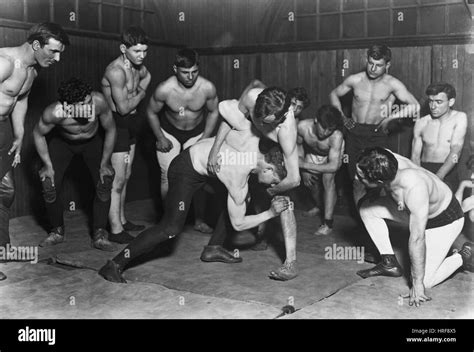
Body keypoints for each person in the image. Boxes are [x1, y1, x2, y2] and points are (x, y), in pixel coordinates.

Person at [98, 121, 297, 283]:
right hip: (184, 169)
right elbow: (238, 223)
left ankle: (213, 248)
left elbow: (228, 112)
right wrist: (270, 213)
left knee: (241, 198)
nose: (272, 186)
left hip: (205, 164)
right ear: (268, 169)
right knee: (171, 228)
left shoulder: (252, 140)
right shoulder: (238, 178)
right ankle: (114, 264)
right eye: (275, 182)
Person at [354, 147, 471, 307]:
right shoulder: (383, 158)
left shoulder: (415, 189)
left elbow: (417, 238)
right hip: (412, 209)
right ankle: (389, 262)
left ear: (379, 181)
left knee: (426, 281)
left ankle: (465, 254)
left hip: (444, 220)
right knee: (367, 210)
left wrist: (417, 283)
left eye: (360, 177)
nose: (355, 177)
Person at [0, 22, 69, 281]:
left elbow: (19, 99)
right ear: (37, 45)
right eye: (53, 51)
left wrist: (18, 133)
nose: (57, 58)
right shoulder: (4, 61)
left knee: (5, 191)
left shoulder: (31, 73)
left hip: (3, 129)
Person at [33, 78, 117, 252]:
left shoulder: (99, 102)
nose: (88, 108)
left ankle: (100, 233)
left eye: (88, 101)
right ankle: (57, 231)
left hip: (92, 143)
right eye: (82, 105)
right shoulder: (54, 113)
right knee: (48, 183)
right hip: (62, 144)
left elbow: (111, 129)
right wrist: (47, 165)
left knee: (105, 179)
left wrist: (105, 162)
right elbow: (38, 134)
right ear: (66, 105)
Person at [147, 48, 218, 233]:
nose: (190, 77)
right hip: (169, 133)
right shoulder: (165, 89)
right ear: (175, 69)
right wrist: (160, 137)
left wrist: (204, 138)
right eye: (185, 72)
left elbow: (214, 112)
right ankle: (168, 220)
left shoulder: (207, 88)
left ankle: (200, 219)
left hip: (196, 132)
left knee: (199, 176)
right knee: (168, 175)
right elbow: (151, 112)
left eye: (194, 72)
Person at [329, 43, 420, 182]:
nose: (373, 68)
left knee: (376, 177)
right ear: (367, 60)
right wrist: (341, 116)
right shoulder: (355, 79)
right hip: (354, 131)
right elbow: (334, 94)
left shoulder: (393, 84)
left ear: (387, 65)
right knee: (355, 177)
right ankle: (359, 204)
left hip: (377, 133)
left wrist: (390, 118)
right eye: (371, 63)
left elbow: (415, 106)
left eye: (378, 65)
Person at [101, 26, 151, 243]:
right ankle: (115, 229)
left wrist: (138, 93)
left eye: (144, 51)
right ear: (123, 48)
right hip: (117, 124)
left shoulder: (138, 68)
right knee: (117, 179)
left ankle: (121, 219)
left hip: (132, 123)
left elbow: (148, 77)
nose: (141, 56)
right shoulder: (115, 71)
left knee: (127, 175)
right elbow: (122, 108)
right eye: (136, 51)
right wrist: (140, 94)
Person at [297, 105, 344, 235]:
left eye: (330, 129)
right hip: (312, 154)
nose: (326, 132)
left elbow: (333, 166)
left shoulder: (336, 136)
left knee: (328, 180)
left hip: (332, 156)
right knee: (311, 185)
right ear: (316, 120)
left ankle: (328, 223)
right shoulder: (302, 127)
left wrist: (304, 166)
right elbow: (299, 147)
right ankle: (319, 206)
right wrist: (304, 170)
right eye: (324, 127)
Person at [411, 83, 467, 192]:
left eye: (438, 102)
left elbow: (456, 150)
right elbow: (415, 156)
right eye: (431, 101)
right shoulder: (421, 122)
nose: (433, 106)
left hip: (447, 171)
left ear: (451, 102)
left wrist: (439, 176)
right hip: (424, 169)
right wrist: (419, 177)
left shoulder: (459, 118)